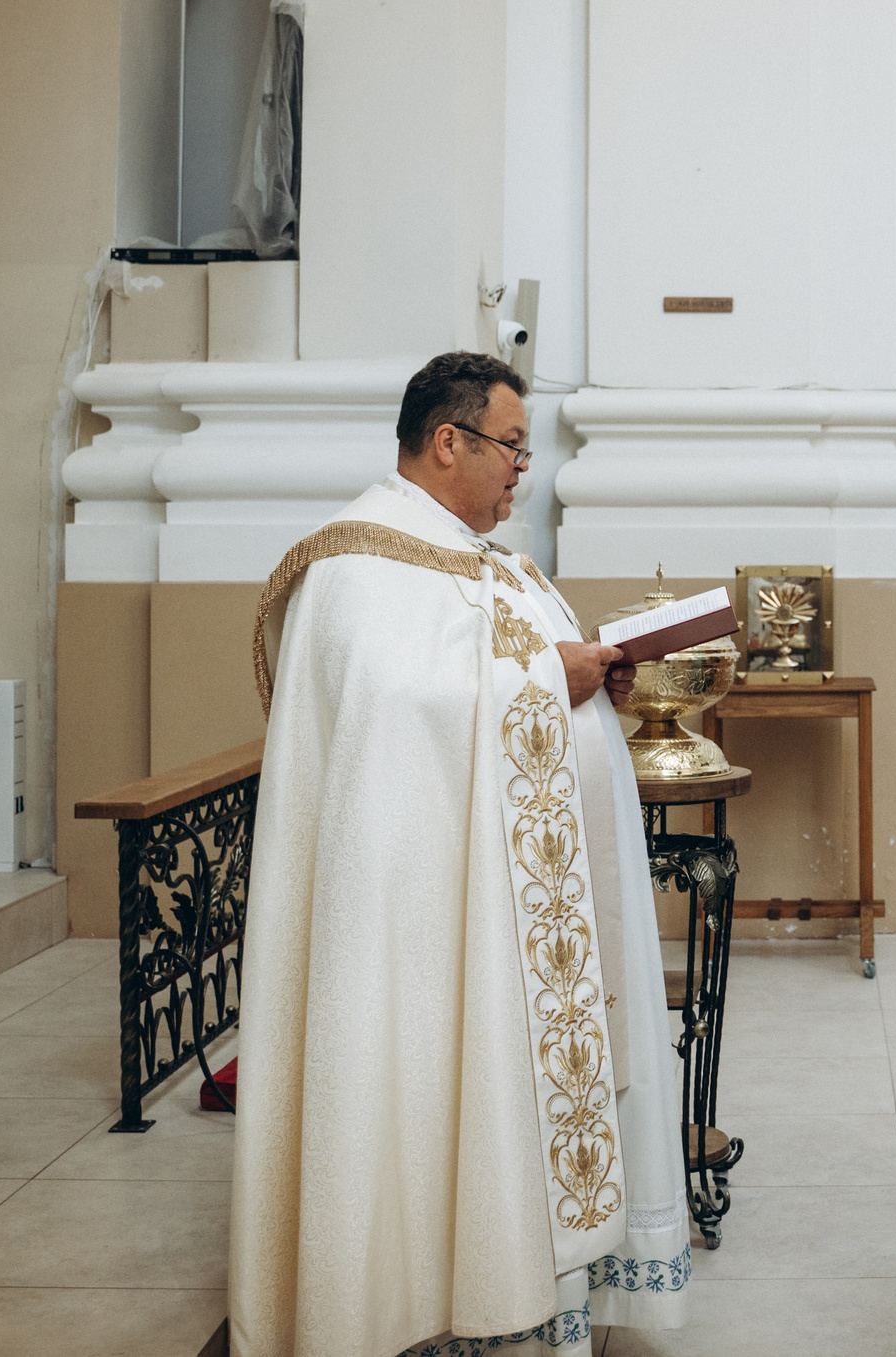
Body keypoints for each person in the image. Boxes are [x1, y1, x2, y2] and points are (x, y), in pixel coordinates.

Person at [231, 352, 687, 1357]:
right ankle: (413, 1305)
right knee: (417, 1099)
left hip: (510, 920)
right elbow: (393, 715)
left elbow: (498, 688)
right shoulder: (356, 564)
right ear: (449, 440)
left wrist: (584, 686)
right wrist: (542, 676)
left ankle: (530, 1284)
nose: (524, 467)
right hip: (422, 928)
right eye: (513, 445)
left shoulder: (489, 562)